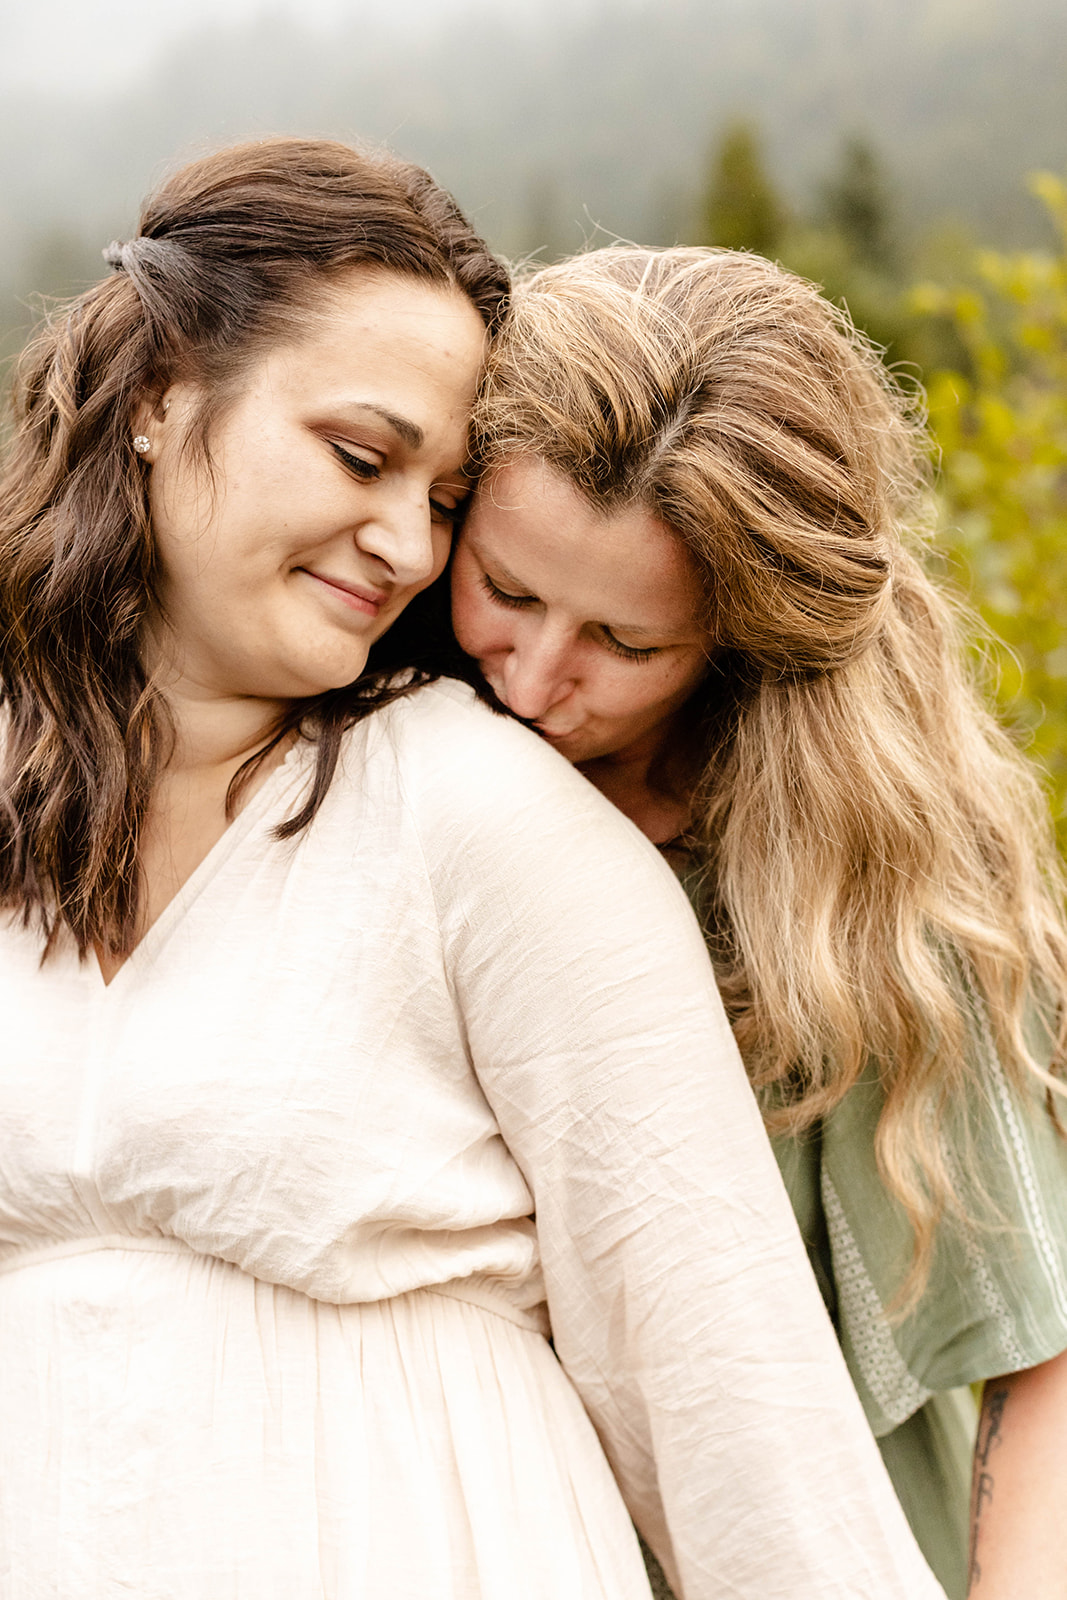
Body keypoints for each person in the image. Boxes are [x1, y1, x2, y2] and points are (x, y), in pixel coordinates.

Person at [0, 141, 947, 1600]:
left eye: (444, 499)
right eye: (362, 456)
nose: (399, 543)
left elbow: (733, 1403)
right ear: (158, 394)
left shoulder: (484, 824)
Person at [449, 245, 1067, 1600]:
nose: (539, 678)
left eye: (627, 643)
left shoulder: (863, 872)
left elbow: (1043, 1356)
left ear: (741, 641)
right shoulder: (376, 764)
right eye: (507, 590)